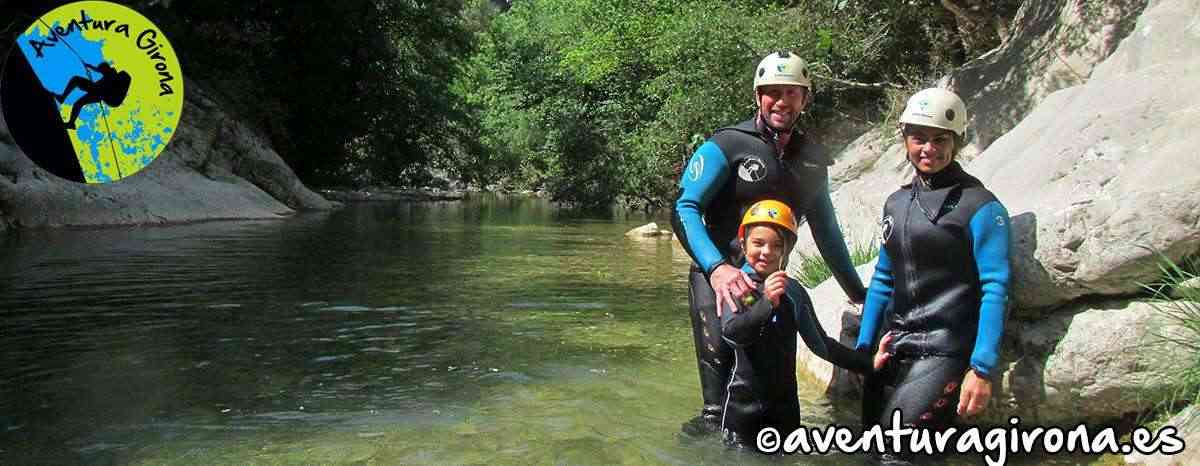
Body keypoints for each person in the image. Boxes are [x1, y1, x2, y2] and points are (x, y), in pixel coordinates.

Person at [671, 50, 868, 435]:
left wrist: (856, 291)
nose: (782, 101)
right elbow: (684, 207)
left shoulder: (811, 158)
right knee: (716, 408)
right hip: (719, 278)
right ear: (758, 95)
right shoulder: (727, 145)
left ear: (805, 99)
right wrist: (717, 268)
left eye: (792, 93)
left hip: (769, 282)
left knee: (768, 385)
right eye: (772, 92)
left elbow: (827, 230)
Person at [854, 88, 1012, 463]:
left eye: (940, 139)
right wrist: (862, 349)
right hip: (895, 345)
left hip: (945, 349)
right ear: (905, 139)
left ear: (956, 142)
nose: (929, 148)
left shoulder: (981, 206)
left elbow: (997, 287)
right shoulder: (897, 202)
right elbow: (883, 279)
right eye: (919, 138)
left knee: (896, 455)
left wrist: (982, 369)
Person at [719, 200, 888, 449]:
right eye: (758, 243)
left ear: (787, 250)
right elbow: (733, 334)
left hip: (785, 409)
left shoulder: (794, 292)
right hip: (744, 410)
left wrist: (867, 363)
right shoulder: (739, 288)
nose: (766, 251)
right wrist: (766, 303)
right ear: (743, 244)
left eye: (776, 245)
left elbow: (822, 346)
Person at [55, 61, 132, 130]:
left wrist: (90, 67)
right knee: (78, 102)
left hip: (99, 93)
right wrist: (90, 67)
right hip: (99, 94)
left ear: (105, 69)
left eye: (102, 71)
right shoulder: (109, 75)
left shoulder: (111, 74)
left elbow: (100, 75)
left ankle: (63, 100)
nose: (101, 73)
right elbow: (100, 74)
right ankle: (71, 122)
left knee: (76, 80)